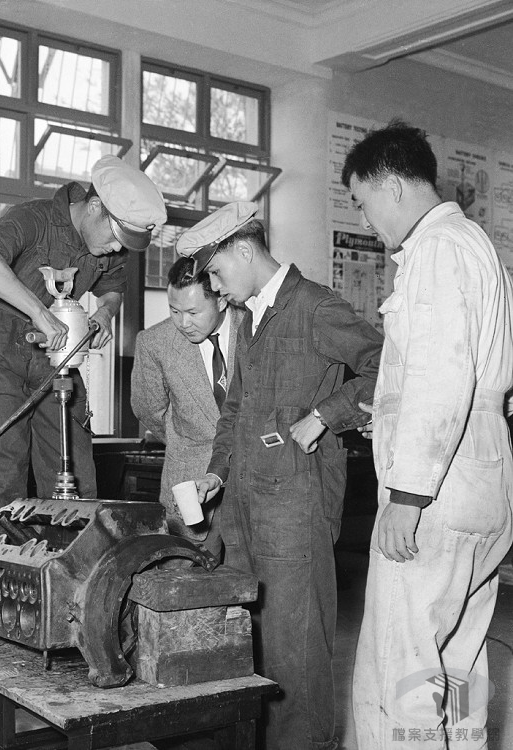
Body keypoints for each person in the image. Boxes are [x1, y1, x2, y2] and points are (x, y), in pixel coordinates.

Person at [182, 201, 383, 750]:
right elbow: (235, 410)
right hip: (242, 509)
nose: (214, 288)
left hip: (296, 508)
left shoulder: (316, 307)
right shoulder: (249, 319)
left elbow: (386, 365)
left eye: (215, 272)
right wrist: (215, 474)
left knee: (296, 651)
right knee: (248, 648)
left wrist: (327, 415)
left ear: (245, 250)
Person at [342, 121, 513, 749]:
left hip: (436, 494)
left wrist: (408, 495)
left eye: (361, 201)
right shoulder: (475, 245)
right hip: (482, 478)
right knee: (454, 662)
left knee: (403, 667)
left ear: (391, 185)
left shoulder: (437, 249)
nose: (363, 220)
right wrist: (389, 415)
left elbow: (441, 374)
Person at [0, 155, 166, 525]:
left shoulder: (105, 245)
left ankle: (70, 557)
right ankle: (7, 556)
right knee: (2, 473)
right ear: (95, 206)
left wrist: (105, 312)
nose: (116, 250)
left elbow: (112, 289)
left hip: (54, 353)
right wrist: (37, 311)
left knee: (76, 474)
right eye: (114, 238)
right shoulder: (33, 219)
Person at [131, 256, 245, 562]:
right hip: (189, 484)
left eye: (193, 312)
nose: (183, 323)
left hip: (252, 483)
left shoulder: (255, 328)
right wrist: (186, 442)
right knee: (184, 577)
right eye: (174, 310)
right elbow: (148, 410)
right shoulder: (154, 343)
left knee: (249, 578)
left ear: (221, 300)